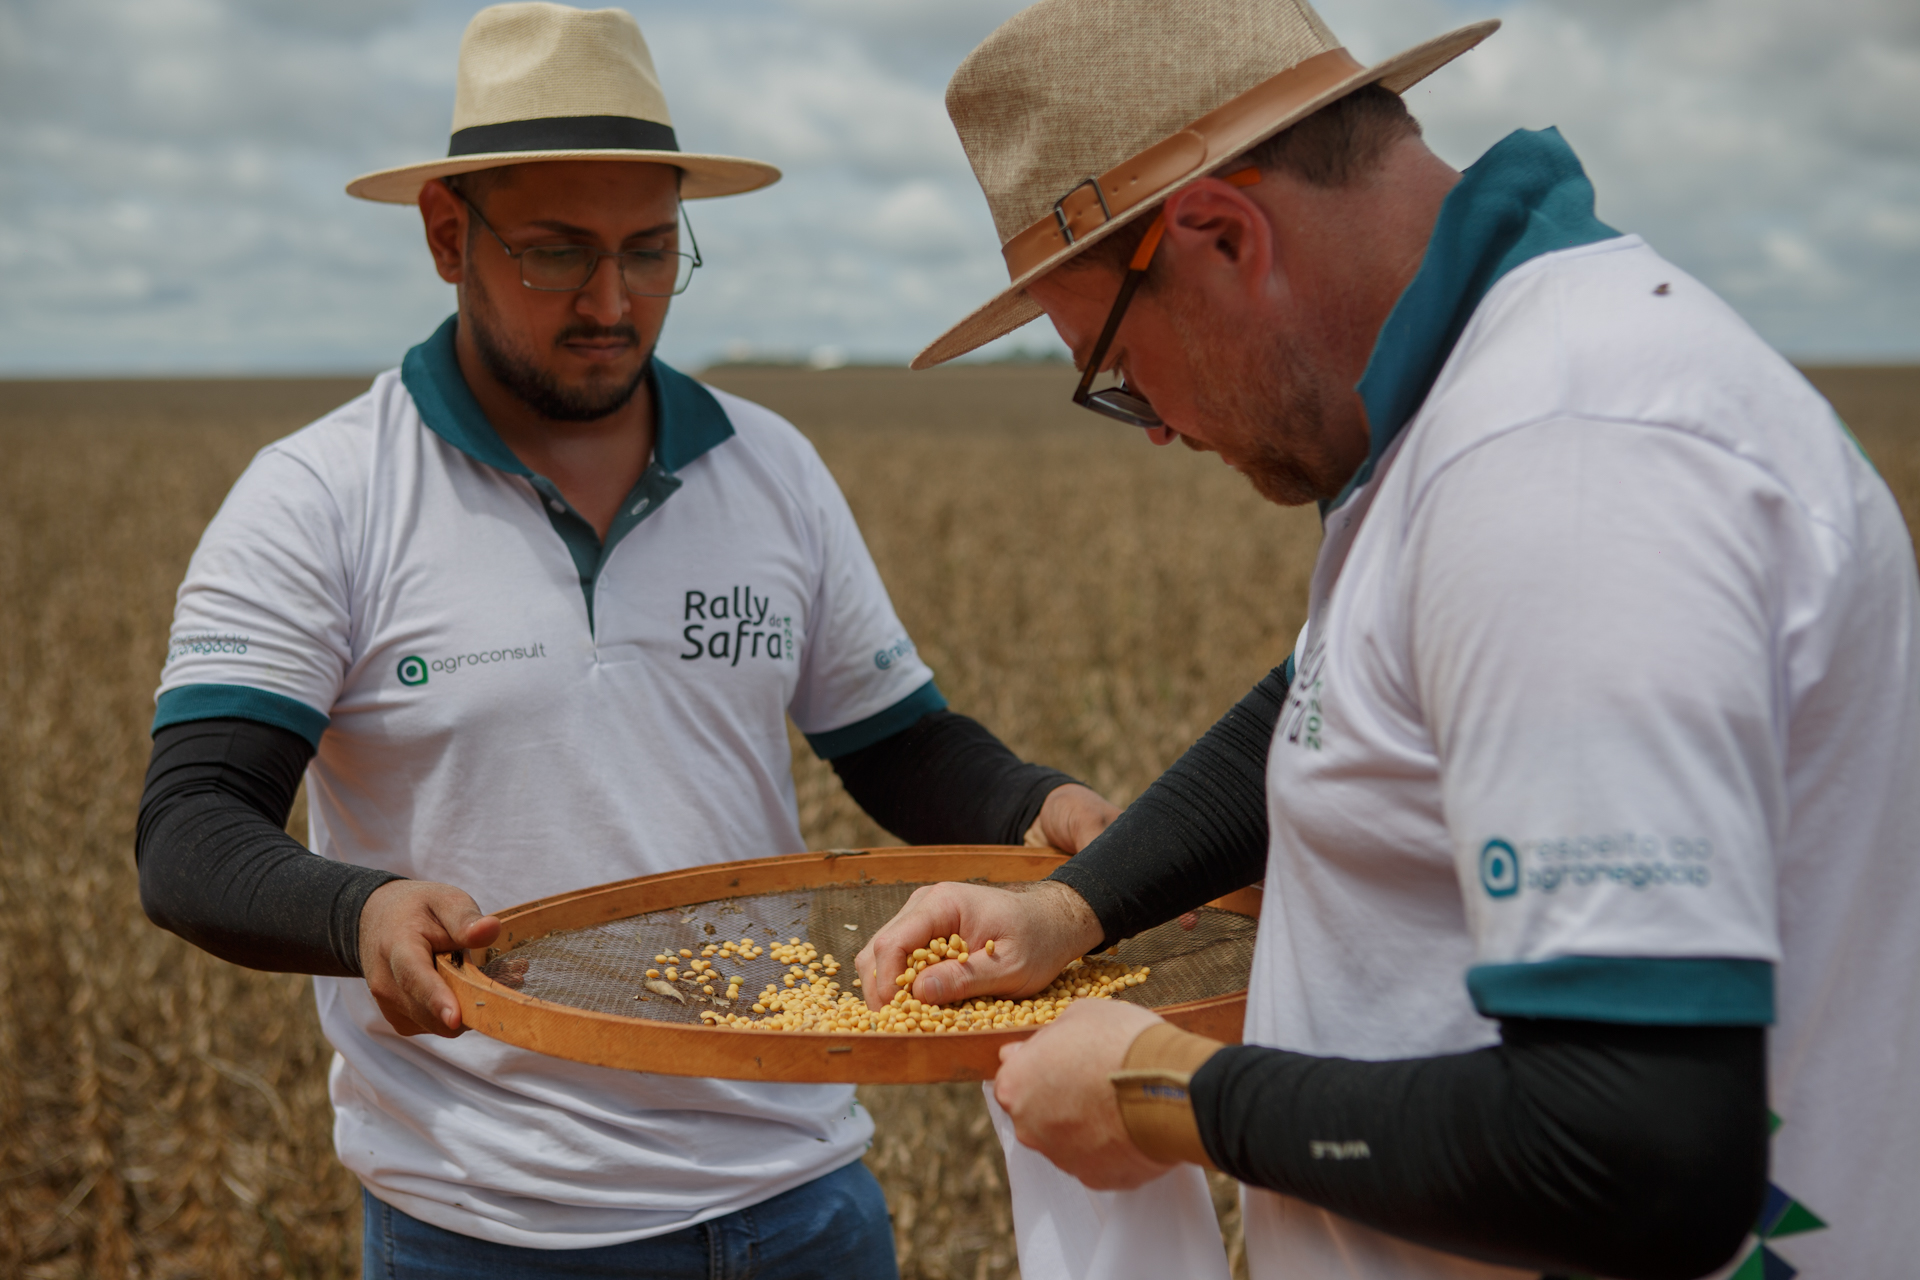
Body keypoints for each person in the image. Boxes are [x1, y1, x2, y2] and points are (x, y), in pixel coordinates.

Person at [859, 0, 1920, 1277]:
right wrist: (1072, 906)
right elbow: (1331, 698)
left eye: (1119, 366)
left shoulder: (1561, 469)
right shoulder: (1474, 407)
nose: (1157, 426)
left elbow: (1635, 1149)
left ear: (1224, 236)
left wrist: (1168, 1091)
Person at [135, 5, 1118, 1276]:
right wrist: (357, 908)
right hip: (495, 1226)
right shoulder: (321, 496)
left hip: (805, 1195)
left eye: (651, 252)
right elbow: (191, 828)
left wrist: (1034, 804)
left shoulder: (771, 467)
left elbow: (899, 744)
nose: (611, 301)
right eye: (557, 254)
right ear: (447, 234)